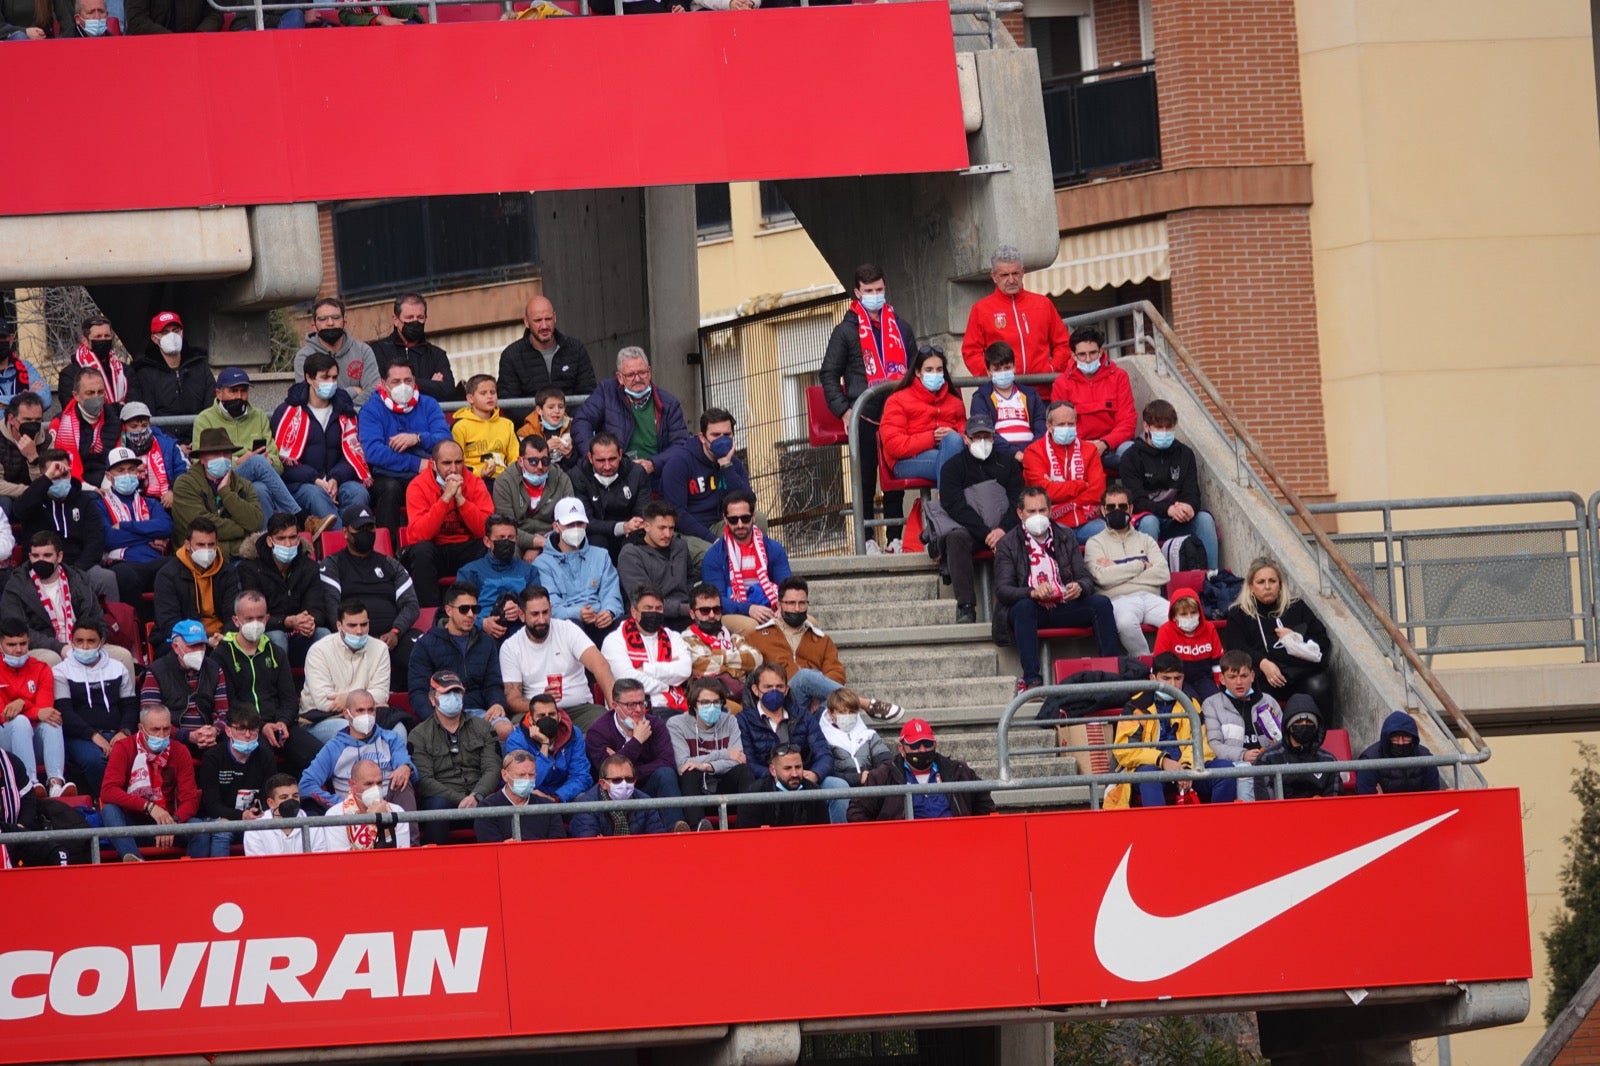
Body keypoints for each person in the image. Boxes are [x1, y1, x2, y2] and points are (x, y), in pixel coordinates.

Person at [820, 264, 919, 531]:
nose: (875, 295)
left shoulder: (902, 328)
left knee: (894, 481)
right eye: (869, 291)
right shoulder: (845, 331)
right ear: (857, 292)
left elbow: (915, 371)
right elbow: (829, 374)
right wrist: (844, 411)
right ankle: (868, 541)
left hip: (897, 415)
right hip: (862, 415)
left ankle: (896, 539)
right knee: (864, 483)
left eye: (879, 290)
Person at [995, 485, 1119, 691]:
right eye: (1031, 511)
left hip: (1063, 603)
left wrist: (1079, 587)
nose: (1038, 516)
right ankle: (1032, 679)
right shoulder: (1007, 543)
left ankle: (1112, 673)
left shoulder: (1065, 535)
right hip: (1032, 609)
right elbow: (1003, 590)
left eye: (1042, 510)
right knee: (1024, 607)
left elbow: (1086, 578)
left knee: (1101, 603)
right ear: (1020, 513)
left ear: (1050, 510)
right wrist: (1032, 592)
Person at [745, 576, 902, 720]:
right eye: (791, 603)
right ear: (779, 605)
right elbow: (751, 674)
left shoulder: (821, 639)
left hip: (814, 707)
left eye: (802, 603)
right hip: (778, 702)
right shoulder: (758, 636)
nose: (797, 609)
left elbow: (836, 672)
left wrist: (818, 693)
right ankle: (865, 704)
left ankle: (865, 739)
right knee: (805, 677)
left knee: (840, 709)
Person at [1103, 653, 1236, 809]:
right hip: (1151, 769)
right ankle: (1160, 825)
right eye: (1166, 678)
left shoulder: (1191, 704)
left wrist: (1187, 768)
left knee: (1225, 770)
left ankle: (1217, 822)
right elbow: (1125, 751)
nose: (1172, 684)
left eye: (1177, 678)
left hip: (1187, 769)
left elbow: (1202, 743)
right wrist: (1163, 761)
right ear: (1152, 678)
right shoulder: (1135, 707)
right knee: (1150, 775)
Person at [933, 411, 1024, 623]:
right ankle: (965, 606)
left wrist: (1002, 530)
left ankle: (1015, 604)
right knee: (956, 538)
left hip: (1005, 530)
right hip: (972, 532)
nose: (982, 441)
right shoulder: (952, 467)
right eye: (977, 437)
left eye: (987, 436)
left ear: (993, 437)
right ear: (966, 439)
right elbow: (955, 506)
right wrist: (986, 534)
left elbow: (1018, 502)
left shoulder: (1008, 464)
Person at [212, 594, 317, 773]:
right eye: (249, 619)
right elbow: (229, 703)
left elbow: (289, 699)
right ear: (236, 621)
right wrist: (261, 726)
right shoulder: (221, 655)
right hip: (246, 728)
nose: (255, 623)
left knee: (318, 754)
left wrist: (282, 722)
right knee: (263, 758)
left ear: (267, 618)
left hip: (281, 725)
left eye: (260, 618)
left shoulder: (277, 653)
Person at [317, 504, 422, 681]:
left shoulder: (390, 564)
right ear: (345, 532)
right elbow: (332, 607)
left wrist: (396, 631)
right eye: (360, 528)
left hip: (392, 637)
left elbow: (411, 605)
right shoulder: (333, 564)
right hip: (352, 637)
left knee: (424, 650)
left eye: (370, 527)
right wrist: (356, 634)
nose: (366, 533)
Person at [271, 350, 373, 528]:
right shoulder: (286, 413)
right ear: (309, 378)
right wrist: (316, 480)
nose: (331, 383)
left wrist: (335, 479)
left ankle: (350, 536)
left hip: (338, 480)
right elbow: (283, 462)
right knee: (317, 495)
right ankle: (342, 540)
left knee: (358, 492)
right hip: (302, 484)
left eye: (334, 378)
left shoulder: (345, 411)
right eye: (325, 377)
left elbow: (353, 454)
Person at [357, 355, 453, 543]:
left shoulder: (428, 404)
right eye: (396, 381)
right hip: (387, 476)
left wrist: (417, 438)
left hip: (425, 473)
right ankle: (388, 549)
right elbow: (373, 452)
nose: (403, 386)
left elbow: (445, 440)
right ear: (383, 383)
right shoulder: (371, 409)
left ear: (414, 380)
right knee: (390, 489)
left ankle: (435, 545)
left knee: (435, 484)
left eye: (408, 380)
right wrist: (416, 463)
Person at [738, 663, 851, 822]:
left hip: (805, 778)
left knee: (839, 787)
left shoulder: (802, 715)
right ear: (756, 690)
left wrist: (815, 773)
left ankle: (836, 838)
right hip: (766, 782)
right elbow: (748, 761)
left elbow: (823, 752)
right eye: (768, 687)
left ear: (787, 689)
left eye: (779, 687)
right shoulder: (743, 720)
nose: (774, 691)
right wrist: (779, 775)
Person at [191, 367, 302, 527]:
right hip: (219, 478)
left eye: (243, 391)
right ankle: (297, 515)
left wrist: (270, 462)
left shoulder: (259, 416)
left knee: (260, 489)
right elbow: (198, 461)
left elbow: (277, 464)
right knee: (256, 462)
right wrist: (239, 461)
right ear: (219, 393)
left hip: (256, 478)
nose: (239, 396)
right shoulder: (204, 419)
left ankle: (265, 537)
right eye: (233, 391)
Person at [500, 584, 615, 732]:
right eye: (535, 614)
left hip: (579, 709)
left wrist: (615, 708)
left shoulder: (568, 629)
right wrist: (540, 702)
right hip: (535, 711)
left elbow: (600, 665)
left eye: (545, 612)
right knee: (520, 731)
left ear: (551, 609)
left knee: (605, 724)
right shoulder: (510, 647)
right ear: (522, 615)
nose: (542, 620)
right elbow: (513, 700)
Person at [1119, 399, 1218, 569]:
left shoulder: (1185, 454)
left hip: (1176, 520)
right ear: (1146, 427)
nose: (1164, 433)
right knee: (1150, 522)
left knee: (1204, 519)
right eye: (1159, 428)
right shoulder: (1131, 457)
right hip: (1145, 520)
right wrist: (1168, 509)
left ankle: (1213, 575)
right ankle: (1149, 575)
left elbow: (1193, 493)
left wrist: (1188, 507)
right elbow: (1136, 501)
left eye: (1169, 428)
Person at [1224, 557, 1332, 710]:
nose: (1267, 586)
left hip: (1299, 672)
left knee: (1319, 685)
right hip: (1262, 677)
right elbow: (1236, 648)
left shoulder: (1296, 606)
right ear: (1251, 586)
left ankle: (1322, 726)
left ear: (1280, 585)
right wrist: (1262, 663)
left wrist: (1297, 639)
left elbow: (1322, 640)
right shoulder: (1238, 614)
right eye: (1261, 582)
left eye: (1272, 581)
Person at [98, 703, 205, 860]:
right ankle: (136, 864)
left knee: (199, 828)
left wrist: (172, 823)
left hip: (168, 822)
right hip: (133, 825)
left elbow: (190, 800)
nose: (161, 735)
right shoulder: (124, 747)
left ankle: (192, 874)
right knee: (109, 810)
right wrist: (149, 807)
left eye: (166, 729)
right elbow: (108, 791)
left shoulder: (180, 750)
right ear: (141, 728)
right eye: (155, 729)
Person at [571, 347, 691, 484]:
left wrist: (653, 464)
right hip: (614, 476)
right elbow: (581, 421)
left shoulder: (668, 403)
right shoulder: (606, 392)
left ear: (649, 372)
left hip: (655, 477)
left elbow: (680, 443)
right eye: (630, 375)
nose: (637, 378)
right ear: (620, 377)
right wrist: (597, 456)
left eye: (642, 372)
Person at [407, 581, 511, 739]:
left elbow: (493, 683)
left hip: (479, 712)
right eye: (464, 609)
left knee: (504, 729)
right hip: (442, 714)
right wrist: (434, 719)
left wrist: (497, 703)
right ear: (448, 610)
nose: (470, 614)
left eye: (475, 609)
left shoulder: (486, 642)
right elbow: (418, 692)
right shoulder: (425, 645)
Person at [409, 669, 502, 845]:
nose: (453, 697)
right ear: (432, 699)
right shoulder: (419, 735)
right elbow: (424, 781)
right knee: (437, 807)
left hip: (480, 795)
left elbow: (493, 768)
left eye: (457, 692)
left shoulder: (484, 727)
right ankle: (436, 860)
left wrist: (477, 796)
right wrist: (460, 799)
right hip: (443, 800)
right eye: (446, 693)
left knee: (497, 804)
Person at [581, 678, 685, 828]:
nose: (638, 710)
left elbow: (668, 762)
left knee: (666, 774)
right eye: (631, 705)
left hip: (646, 786)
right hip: (613, 790)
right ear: (615, 706)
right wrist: (636, 741)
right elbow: (606, 773)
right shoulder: (598, 732)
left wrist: (622, 762)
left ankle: (678, 831)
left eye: (642, 703)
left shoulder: (656, 725)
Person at [401, 439, 492, 608]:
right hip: (435, 550)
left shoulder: (475, 483)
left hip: (465, 548)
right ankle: (430, 615)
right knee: (421, 551)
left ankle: (484, 610)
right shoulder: (418, 486)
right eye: (447, 463)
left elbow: (486, 530)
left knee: (490, 545)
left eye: (458, 462)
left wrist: (461, 500)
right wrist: (445, 498)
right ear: (433, 464)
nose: (454, 469)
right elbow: (417, 535)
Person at [848, 718, 995, 821]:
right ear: (901, 748)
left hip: (954, 843)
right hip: (904, 848)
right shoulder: (883, 775)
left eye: (927, 744)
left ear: (935, 744)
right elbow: (857, 812)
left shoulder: (958, 770)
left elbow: (984, 803)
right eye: (915, 745)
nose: (922, 750)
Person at [14, 449, 113, 601]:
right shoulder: (34, 499)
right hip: (41, 565)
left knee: (107, 579)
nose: (60, 480)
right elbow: (18, 511)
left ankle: (111, 617)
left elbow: (95, 541)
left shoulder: (84, 501)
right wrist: (46, 480)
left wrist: (76, 571)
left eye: (64, 475)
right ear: (43, 477)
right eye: (55, 477)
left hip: (79, 566)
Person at [960, 245, 1072, 378]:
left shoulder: (1043, 304)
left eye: (1015, 273)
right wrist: (992, 374)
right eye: (1004, 275)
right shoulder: (981, 309)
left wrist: (1052, 368)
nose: (1011, 280)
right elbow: (971, 351)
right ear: (994, 276)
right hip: (1001, 388)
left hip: (1041, 386)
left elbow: (1063, 343)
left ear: (1022, 272)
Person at [1084, 483, 1170, 656]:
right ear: (1103, 510)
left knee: (1178, 619)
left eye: (1122, 506)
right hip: (1118, 600)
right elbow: (1101, 578)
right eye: (1111, 507)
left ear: (1130, 509)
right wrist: (1140, 565)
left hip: (1151, 597)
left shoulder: (1146, 539)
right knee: (1125, 623)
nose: (1117, 511)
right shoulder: (1094, 543)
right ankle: (1145, 663)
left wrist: (1116, 569)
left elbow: (1163, 573)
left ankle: (1166, 664)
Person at [3, 531, 110, 664]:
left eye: (47, 555)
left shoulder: (79, 580)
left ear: (59, 557)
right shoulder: (16, 586)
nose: (41, 560)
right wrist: (60, 647)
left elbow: (99, 622)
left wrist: (88, 645)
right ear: (29, 556)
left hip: (84, 644)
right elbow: (16, 630)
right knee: (52, 659)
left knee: (123, 656)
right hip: (42, 648)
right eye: (36, 556)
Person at [879, 344, 967, 503]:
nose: (935, 374)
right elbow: (894, 445)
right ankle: (948, 506)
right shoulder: (897, 400)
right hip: (905, 461)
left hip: (948, 454)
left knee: (955, 443)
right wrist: (932, 437)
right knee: (958, 465)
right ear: (917, 372)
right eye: (929, 370)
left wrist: (956, 435)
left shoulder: (955, 402)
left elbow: (965, 434)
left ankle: (946, 504)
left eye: (939, 370)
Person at [299, 694, 414, 811]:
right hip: (350, 810)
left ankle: (407, 823)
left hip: (389, 805)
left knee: (404, 781)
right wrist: (339, 804)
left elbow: (405, 763)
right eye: (360, 710)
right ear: (346, 714)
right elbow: (306, 784)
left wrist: (406, 767)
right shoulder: (334, 748)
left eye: (370, 710)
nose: (366, 715)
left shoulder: (391, 739)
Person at [237, 515, 329, 660]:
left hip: (299, 633)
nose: (288, 544)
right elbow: (252, 615)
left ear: (298, 539)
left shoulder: (309, 567)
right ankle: (278, 676)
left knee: (323, 635)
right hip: (266, 634)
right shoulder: (250, 568)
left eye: (292, 537)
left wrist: (310, 621)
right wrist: (286, 621)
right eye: (281, 538)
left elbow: (317, 608)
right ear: (270, 541)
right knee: (278, 637)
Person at [1049, 324, 1137, 474]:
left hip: (1114, 446)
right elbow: (1060, 424)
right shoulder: (1062, 383)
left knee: (1132, 454)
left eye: (1093, 353)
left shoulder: (1119, 377)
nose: (1088, 359)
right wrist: (1086, 447)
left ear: (1101, 352)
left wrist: (1104, 443)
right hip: (1077, 448)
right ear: (1073, 355)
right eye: (1082, 354)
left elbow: (1127, 421)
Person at [700, 490, 789, 636]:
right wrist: (748, 609)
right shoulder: (714, 555)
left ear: (753, 517)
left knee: (810, 623)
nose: (740, 524)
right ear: (725, 519)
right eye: (733, 520)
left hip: (771, 607)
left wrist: (783, 607)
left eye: (745, 518)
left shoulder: (774, 549)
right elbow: (715, 600)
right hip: (732, 612)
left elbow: (788, 587)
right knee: (752, 627)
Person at [301, 604, 393, 744]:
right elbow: (324, 703)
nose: (359, 631)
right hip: (321, 719)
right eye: (352, 625)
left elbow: (381, 694)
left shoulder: (380, 649)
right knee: (350, 731)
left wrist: (347, 699)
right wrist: (366, 699)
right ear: (339, 626)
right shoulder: (319, 651)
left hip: (367, 716)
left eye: (364, 624)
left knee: (399, 730)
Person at [534, 497, 623, 642]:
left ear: (586, 524)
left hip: (600, 619)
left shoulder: (601, 555)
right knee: (573, 626)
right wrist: (577, 613)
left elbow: (611, 592)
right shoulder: (542, 563)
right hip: (567, 625)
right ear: (556, 526)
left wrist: (610, 612)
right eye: (569, 524)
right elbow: (550, 604)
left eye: (579, 523)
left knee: (623, 623)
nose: (575, 529)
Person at [669, 677, 755, 827]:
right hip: (694, 791)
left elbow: (738, 759)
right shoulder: (676, 724)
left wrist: (706, 766)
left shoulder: (730, 721)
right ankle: (698, 830)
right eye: (705, 702)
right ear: (693, 704)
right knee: (690, 772)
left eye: (716, 702)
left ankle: (746, 830)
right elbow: (683, 764)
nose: (712, 707)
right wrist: (724, 754)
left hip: (724, 788)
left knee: (744, 771)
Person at [658, 407, 750, 543]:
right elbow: (677, 513)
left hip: (721, 523)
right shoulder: (679, 463)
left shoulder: (732, 462)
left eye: (727, 435)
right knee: (712, 553)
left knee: (757, 520)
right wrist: (713, 540)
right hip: (689, 533)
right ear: (702, 437)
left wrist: (726, 465)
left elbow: (748, 501)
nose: (722, 440)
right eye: (716, 435)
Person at [1201, 650, 1283, 803]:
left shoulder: (1269, 701)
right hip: (1234, 764)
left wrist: (1274, 746)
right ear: (1222, 679)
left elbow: (1283, 738)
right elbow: (1213, 744)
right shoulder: (1211, 704)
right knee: (1244, 771)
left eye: (1244, 676)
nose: (1239, 682)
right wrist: (1243, 755)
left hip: (1268, 762)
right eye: (1232, 677)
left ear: (1252, 676)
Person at [195, 706, 277, 858]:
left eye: (252, 729)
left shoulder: (266, 756)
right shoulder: (212, 758)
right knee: (222, 832)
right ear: (228, 731)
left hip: (254, 819)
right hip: (219, 817)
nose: (248, 735)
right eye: (241, 729)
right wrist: (241, 815)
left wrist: (257, 812)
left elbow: (268, 797)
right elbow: (211, 804)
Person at [0, 618, 69, 798]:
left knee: (52, 721)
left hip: (31, 738)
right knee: (20, 722)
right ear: (1, 644)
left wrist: (22, 703)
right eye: (11, 645)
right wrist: (33, 710)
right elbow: (3, 714)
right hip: (4, 737)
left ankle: (56, 784)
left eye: (23, 644)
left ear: (29, 642)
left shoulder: (41, 668)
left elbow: (45, 710)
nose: (18, 650)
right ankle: (29, 783)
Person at [171, 428, 265, 560]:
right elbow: (200, 527)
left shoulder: (244, 485)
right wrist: (243, 529)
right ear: (202, 459)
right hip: (196, 557)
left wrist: (226, 493)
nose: (222, 458)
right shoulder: (185, 484)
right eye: (215, 454)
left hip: (238, 555)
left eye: (226, 453)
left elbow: (255, 521)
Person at [140, 619, 226, 756]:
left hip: (210, 741)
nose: (199, 651)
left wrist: (215, 731)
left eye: (202, 645)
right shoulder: (157, 671)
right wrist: (187, 736)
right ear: (175, 647)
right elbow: (149, 718)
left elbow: (223, 713)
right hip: (170, 741)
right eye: (193, 646)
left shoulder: (214, 669)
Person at [152, 519, 241, 651]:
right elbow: (169, 621)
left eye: (211, 544)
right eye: (200, 545)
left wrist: (225, 637)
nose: (207, 550)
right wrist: (201, 640)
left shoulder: (228, 572)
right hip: (185, 639)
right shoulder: (168, 575)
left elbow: (233, 614)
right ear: (187, 545)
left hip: (221, 638)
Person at [1022, 401, 1106, 539]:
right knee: (1062, 537)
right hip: (1051, 522)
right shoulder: (1034, 452)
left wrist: (1064, 498)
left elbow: (1098, 491)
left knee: (1108, 532)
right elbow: (1044, 493)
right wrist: (1081, 484)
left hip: (1087, 520)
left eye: (1071, 424)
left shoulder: (1090, 450)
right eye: (1061, 424)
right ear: (1049, 426)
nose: (1067, 428)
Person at [98, 447, 172, 604]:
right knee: (125, 576)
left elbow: (166, 526)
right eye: (120, 470)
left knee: (176, 566)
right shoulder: (100, 505)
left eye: (131, 469)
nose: (127, 474)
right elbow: (109, 539)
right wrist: (150, 534)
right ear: (108, 476)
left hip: (155, 561)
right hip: (123, 564)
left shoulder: (151, 503)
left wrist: (125, 526)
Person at [601, 586, 692, 712]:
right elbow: (628, 681)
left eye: (658, 608)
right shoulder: (614, 640)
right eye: (648, 608)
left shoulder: (673, 637)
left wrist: (645, 669)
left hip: (674, 706)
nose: (653, 613)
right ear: (634, 612)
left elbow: (685, 670)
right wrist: (665, 686)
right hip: (635, 710)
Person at [568, 432, 650, 561]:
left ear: (620, 454)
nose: (607, 466)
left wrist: (633, 525)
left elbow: (642, 513)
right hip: (596, 534)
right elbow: (585, 521)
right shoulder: (578, 475)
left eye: (612, 459)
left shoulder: (637, 473)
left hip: (630, 532)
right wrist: (621, 527)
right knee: (596, 543)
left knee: (636, 543)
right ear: (590, 457)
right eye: (600, 460)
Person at [490, 433, 575, 559]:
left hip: (551, 537)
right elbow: (505, 527)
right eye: (533, 461)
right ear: (520, 461)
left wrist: (542, 545)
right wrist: (535, 542)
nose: (540, 467)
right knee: (506, 549)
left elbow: (570, 521)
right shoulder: (504, 482)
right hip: (516, 537)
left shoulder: (561, 479)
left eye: (545, 461)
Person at [497, 295, 597, 400]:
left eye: (548, 319)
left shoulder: (576, 349)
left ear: (555, 317)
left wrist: (567, 411)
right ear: (526, 322)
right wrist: (538, 411)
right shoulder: (511, 357)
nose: (544, 326)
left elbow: (589, 394)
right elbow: (509, 401)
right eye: (538, 320)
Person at [456, 518, 538, 641]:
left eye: (510, 537)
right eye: (501, 538)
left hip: (523, 636)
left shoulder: (530, 571)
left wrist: (521, 611)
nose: (506, 542)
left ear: (516, 539)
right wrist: (481, 623)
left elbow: (538, 605)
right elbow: (459, 610)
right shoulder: (469, 572)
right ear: (487, 541)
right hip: (481, 637)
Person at [503, 693, 593, 802]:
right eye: (541, 716)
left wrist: (556, 797)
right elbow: (525, 781)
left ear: (559, 717)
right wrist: (544, 746)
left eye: (551, 714)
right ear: (531, 720)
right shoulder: (517, 740)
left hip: (564, 796)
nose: (547, 719)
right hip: (531, 796)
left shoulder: (573, 734)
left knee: (584, 798)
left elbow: (581, 776)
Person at [293, 297, 380, 408]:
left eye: (336, 317)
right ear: (314, 326)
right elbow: (308, 398)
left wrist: (343, 409)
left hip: (360, 415)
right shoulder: (304, 357)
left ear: (344, 322)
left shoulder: (363, 351)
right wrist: (353, 391)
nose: (330, 323)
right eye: (323, 319)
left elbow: (374, 392)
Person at [682, 583, 762, 704]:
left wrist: (719, 660)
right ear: (692, 614)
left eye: (716, 610)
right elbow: (701, 667)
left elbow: (756, 659)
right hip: (710, 701)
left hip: (743, 696)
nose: (712, 615)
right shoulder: (687, 639)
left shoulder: (731, 636)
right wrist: (739, 669)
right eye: (705, 611)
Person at [617, 502, 693, 628]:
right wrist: (684, 608)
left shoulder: (680, 546)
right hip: (651, 619)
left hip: (686, 612)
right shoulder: (630, 554)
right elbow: (643, 599)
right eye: (662, 528)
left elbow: (690, 579)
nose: (667, 534)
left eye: (671, 528)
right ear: (646, 526)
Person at [371, 294, 457, 404]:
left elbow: (448, 391)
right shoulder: (378, 350)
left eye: (420, 317)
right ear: (396, 320)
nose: (415, 322)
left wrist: (400, 382)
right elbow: (379, 388)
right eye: (409, 317)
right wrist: (430, 384)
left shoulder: (437, 355)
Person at [968, 341, 1045, 461]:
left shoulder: (1030, 394)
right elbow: (984, 431)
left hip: (1033, 455)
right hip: (998, 456)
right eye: (997, 369)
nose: (1003, 373)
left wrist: (1031, 452)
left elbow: (1041, 425)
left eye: (1007, 368)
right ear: (988, 372)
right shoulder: (981, 397)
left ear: (1014, 367)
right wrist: (1015, 453)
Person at [129, 311, 216, 415]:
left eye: (176, 331)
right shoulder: (145, 373)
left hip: (199, 425)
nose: (172, 336)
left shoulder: (200, 365)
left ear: (182, 333)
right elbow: (147, 413)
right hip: (161, 425)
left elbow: (212, 405)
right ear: (155, 338)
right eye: (165, 332)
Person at [1256, 695, 1342, 800]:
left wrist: (1322, 803)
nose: (1304, 725)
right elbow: (1266, 803)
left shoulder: (1329, 761)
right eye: (1298, 722)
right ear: (1289, 726)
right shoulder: (1267, 759)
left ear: (1315, 727)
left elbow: (1335, 802)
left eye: (1309, 722)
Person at [569, 753, 674, 837]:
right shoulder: (587, 806)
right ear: (603, 784)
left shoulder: (646, 803)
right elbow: (589, 847)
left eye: (629, 779)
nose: (624, 784)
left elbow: (656, 841)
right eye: (617, 780)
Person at [475, 750, 567, 844]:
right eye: (521, 775)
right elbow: (489, 848)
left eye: (531, 775)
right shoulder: (486, 809)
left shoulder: (548, 807)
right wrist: (503, 847)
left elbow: (558, 844)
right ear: (505, 775)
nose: (527, 779)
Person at [49, 366, 119, 486]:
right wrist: (88, 489)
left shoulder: (115, 418)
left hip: (109, 481)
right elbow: (57, 465)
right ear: (76, 395)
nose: (96, 397)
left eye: (100, 392)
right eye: (90, 393)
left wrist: (108, 484)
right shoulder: (59, 424)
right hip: (75, 486)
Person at [1152, 586, 1224, 699]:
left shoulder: (1210, 628)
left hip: (1204, 679)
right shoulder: (1165, 631)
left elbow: (1217, 663)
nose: (1190, 617)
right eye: (1184, 614)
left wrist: (1220, 686)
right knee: (1191, 702)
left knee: (1216, 700)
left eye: (1193, 612)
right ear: (1174, 616)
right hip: (1178, 680)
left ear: (1200, 612)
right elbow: (1158, 664)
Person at [326, 758, 412, 851]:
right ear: (352, 785)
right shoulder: (335, 815)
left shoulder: (397, 811)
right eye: (369, 784)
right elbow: (341, 858)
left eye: (379, 783)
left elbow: (400, 855)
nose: (376, 788)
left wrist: (385, 823)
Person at [740, 744, 831, 829]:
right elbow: (745, 837)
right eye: (787, 768)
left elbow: (823, 834)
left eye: (798, 767)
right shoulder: (754, 796)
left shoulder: (815, 793)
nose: (794, 774)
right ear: (773, 770)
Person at [118, 401, 187, 511]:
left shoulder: (168, 445)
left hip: (167, 501)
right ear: (124, 427)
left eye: (144, 425)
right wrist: (131, 472)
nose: (140, 430)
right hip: (132, 504)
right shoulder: (117, 450)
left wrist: (173, 491)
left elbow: (184, 471)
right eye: (134, 426)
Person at [817, 687, 892, 787]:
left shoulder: (869, 735)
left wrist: (873, 776)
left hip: (871, 787)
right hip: (842, 791)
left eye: (852, 712)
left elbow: (886, 760)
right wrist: (857, 778)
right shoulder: (822, 738)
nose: (847, 715)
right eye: (842, 712)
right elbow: (825, 772)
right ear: (831, 713)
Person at [244, 773, 335, 856]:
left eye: (295, 796)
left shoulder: (314, 826)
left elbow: (318, 861)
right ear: (271, 803)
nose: (291, 801)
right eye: (284, 797)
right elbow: (257, 865)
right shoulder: (255, 830)